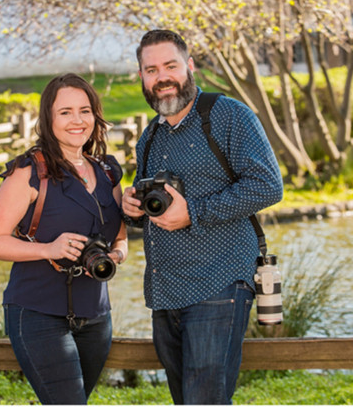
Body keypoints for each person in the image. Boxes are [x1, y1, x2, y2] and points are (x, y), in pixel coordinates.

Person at [121, 29, 283, 405]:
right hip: (164, 293)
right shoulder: (149, 137)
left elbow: (268, 187)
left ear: (189, 66)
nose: (161, 77)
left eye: (170, 66)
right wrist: (133, 209)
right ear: (142, 77)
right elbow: (155, 208)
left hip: (219, 284)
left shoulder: (227, 115)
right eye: (150, 70)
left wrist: (193, 212)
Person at [0, 73, 128, 405]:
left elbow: (121, 239)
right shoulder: (28, 172)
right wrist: (50, 248)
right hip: (37, 313)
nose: (77, 120)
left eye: (85, 110)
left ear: (95, 115)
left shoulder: (108, 173)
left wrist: (115, 257)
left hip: (96, 318)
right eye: (65, 112)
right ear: (48, 118)